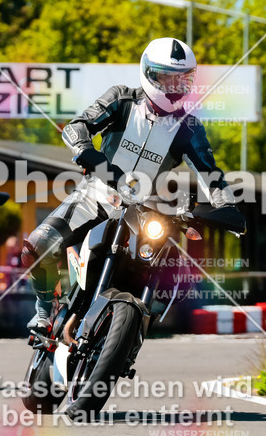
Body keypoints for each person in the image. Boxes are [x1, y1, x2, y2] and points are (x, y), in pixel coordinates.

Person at [23, 37, 236, 331]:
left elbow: (210, 173)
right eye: (166, 77)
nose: (173, 86)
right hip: (96, 195)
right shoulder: (121, 99)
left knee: (167, 266)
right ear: (149, 73)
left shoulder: (189, 128)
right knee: (38, 244)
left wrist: (227, 206)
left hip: (144, 212)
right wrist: (85, 150)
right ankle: (46, 308)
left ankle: (131, 326)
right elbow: (76, 126)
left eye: (181, 79)